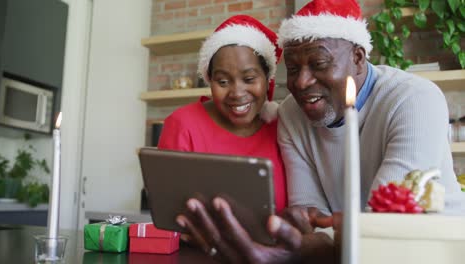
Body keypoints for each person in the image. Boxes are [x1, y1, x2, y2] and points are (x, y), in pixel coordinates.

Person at [176, 0, 465, 263]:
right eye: (292, 68)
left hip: (433, 252)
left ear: (358, 57)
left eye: (319, 64)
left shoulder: (413, 99)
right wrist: (311, 234)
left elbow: (386, 217)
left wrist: (321, 241)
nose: (301, 82)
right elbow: (308, 211)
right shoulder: (291, 113)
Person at [157, 15, 287, 213]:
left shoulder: (282, 127)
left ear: (267, 77)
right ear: (210, 80)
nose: (236, 93)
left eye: (249, 78)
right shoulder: (183, 125)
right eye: (223, 82)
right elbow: (168, 209)